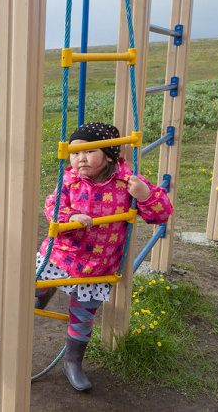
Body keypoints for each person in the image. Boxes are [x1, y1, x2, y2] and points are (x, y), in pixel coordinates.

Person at [34, 122, 173, 391]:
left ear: (109, 155)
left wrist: (144, 195)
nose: (79, 159)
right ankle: (42, 297)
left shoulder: (127, 181)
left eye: (88, 152)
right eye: (74, 153)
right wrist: (71, 216)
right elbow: (52, 205)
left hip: (97, 266)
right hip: (61, 257)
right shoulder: (70, 179)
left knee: (83, 317)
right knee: (38, 292)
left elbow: (161, 214)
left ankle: (72, 362)